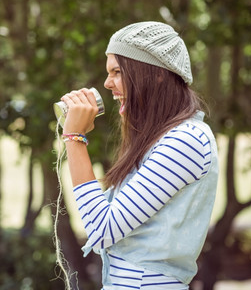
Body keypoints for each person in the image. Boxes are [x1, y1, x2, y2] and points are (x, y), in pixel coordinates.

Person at [60, 21, 218, 289]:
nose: (107, 83)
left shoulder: (186, 141)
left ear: (156, 74)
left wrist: (75, 139)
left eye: (118, 71)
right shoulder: (160, 140)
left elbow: (102, 230)